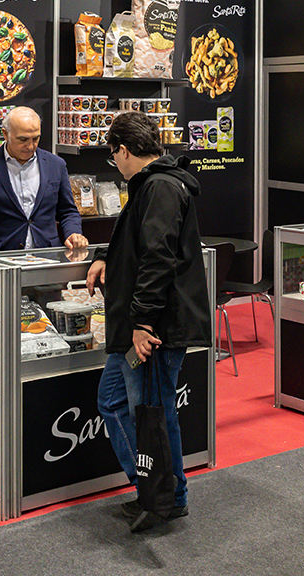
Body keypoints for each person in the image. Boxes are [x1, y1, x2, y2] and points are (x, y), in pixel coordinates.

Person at [86, 110, 210, 534]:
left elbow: (158, 258)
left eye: (113, 157)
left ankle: (167, 497)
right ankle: (154, 488)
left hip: (153, 328)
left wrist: (143, 322)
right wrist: (104, 256)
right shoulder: (154, 184)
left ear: (123, 150)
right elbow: (137, 241)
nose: (115, 165)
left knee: (153, 412)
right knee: (114, 401)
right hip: (140, 326)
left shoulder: (160, 186)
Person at [0, 106, 89, 257]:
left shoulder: (56, 165)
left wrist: (73, 233)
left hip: (47, 256)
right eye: (23, 140)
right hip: (1, 258)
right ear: (5, 134)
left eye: (36, 139)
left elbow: (68, 211)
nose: (30, 146)